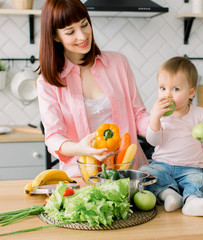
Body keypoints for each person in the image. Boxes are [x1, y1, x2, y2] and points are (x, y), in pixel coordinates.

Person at [36, 0, 150, 177]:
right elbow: (53, 137)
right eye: (70, 32)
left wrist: (161, 123)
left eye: (84, 25)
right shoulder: (48, 82)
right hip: (82, 174)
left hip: (130, 171)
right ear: (55, 36)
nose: (82, 36)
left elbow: (138, 115)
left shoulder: (118, 63)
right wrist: (80, 148)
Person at [139, 56, 203, 217]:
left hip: (191, 168)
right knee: (145, 172)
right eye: (162, 88)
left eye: (175, 89)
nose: (167, 94)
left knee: (199, 181)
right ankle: (169, 195)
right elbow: (153, 141)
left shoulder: (199, 114)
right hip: (162, 165)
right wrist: (154, 118)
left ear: (191, 92)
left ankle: (192, 201)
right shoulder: (160, 114)